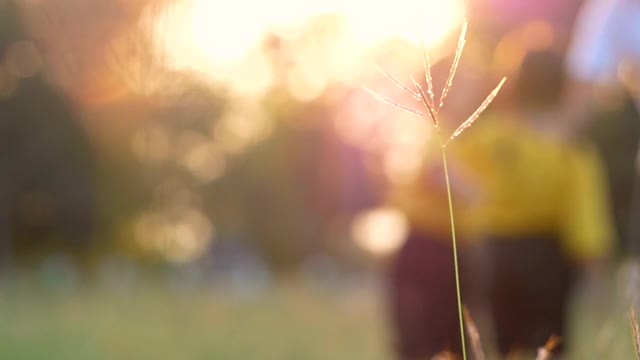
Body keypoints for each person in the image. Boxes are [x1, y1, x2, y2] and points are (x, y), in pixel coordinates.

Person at [453, 49, 616, 356]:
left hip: (493, 253)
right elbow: (586, 218)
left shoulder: (493, 134)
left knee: (501, 344)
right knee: (548, 343)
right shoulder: (571, 147)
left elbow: (448, 170)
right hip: (548, 258)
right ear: (562, 86)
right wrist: (595, 272)